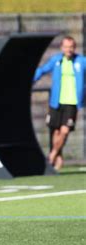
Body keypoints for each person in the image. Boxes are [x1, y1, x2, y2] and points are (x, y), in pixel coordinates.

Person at [34, 35, 85, 170]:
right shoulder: (56, 60)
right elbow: (42, 70)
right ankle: (58, 159)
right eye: (66, 47)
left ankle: (52, 156)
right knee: (55, 132)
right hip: (56, 102)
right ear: (62, 48)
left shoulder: (81, 61)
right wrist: (30, 79)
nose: (69, 49)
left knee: (64, 131)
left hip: (72, 102)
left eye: (71, 47)